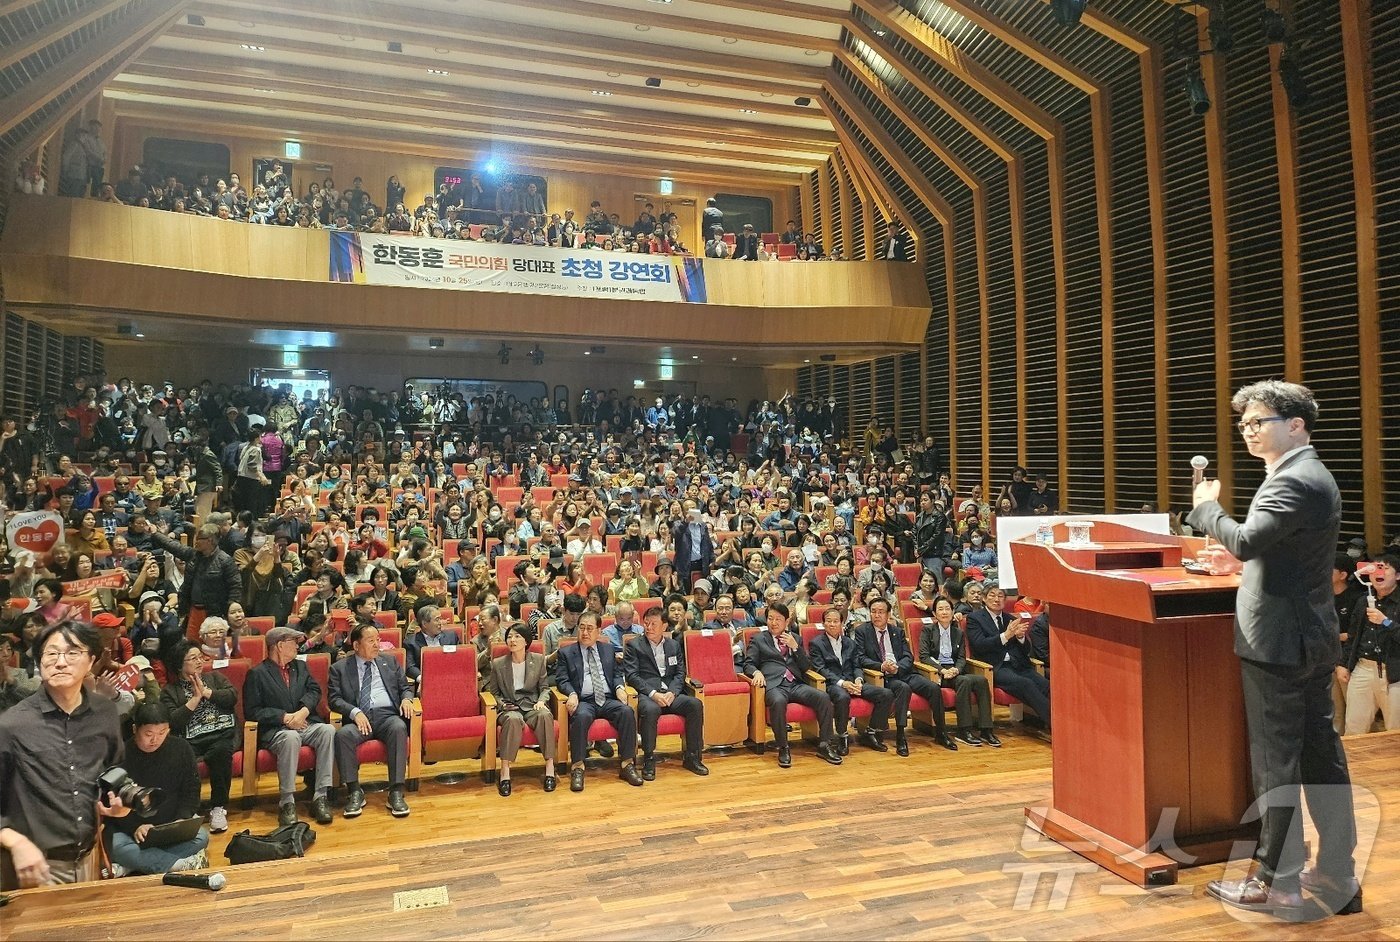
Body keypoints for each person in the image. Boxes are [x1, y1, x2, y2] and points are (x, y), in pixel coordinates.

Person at [1187, 380, 1359, 918]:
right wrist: (1244, 568)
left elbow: (1245, 538)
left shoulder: (1296, 479)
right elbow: (1276, 555)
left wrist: (1206, 508)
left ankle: (1277, 881)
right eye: (1244, 424)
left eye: (1259, 421)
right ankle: (1336, 874)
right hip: (1306, 636)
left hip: (1279, 643)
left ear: (1297, 424)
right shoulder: (1302, 474)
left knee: (1275, 764)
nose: (1248, 430)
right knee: (1320, 757)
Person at [0, 619, 128, 889]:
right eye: (51, 653)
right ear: (39, 662)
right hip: (37, 867)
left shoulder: (104, 712)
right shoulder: (12, 725)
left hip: (90, 856)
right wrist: (16, 842)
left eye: (72, 653)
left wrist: (118, 802)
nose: (60, 662)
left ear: (91, 660)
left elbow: (113, 772)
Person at [242, 626, 336, 826]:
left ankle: (320, 796)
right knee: (291, 738)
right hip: (278, 730)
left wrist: (303, 711)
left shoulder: (300, 667)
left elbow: (314, 690)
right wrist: (284, 717)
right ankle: (287, 801)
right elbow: (253, 711)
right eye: (293, 642)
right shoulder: (257, 674)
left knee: (327, 731)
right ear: (279, 645)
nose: (297, 646)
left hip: (304, 722)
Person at [104, 702, 209, 875]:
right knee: (117, 846)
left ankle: (133, 865)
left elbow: (191, 789)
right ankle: (177, 865)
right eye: (148, 734)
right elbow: (112, 800)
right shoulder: (119, 755)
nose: (155, 740)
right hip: (133, 830)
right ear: (134, 729)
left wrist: (182, 819)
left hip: (169, 825)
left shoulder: (181, 748)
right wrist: (134, 826)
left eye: (162, 733)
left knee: (201, 837)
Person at [329, 624, 414, 819]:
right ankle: (354, 791)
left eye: (378, 639)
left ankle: (396, 791)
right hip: (360, 718)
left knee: (399, 727)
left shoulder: (390, 662)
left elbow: (405, 687)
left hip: (387, 716)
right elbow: (334, 699)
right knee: (343, 735)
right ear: (357, 645)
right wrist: (354, 712)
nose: (377, 645)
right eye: (371, 641)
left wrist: (407, 699)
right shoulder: (339, 669)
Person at [853, 596, 957, 755]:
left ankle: (941, 732)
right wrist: (882, 666)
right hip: (884, 677)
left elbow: (908, 656)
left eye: (881, 612)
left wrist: (898, 668)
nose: (877, 615)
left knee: (933, 688)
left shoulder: (897, 632)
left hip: (903, 672)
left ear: (888, 615)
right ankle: (901, 735)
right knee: (903, 688)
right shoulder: (862, 631)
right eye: (873, 611)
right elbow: (860, 658)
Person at [743, 602, 842, 768]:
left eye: (778, 619)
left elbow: (805, 667)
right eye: (770, 618)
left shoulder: (795, 638)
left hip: (795, 684)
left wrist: (796, 648)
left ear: (786, 621)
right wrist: (756, 672)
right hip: (774, 685)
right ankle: (783, 746)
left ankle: (825, 744)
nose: (773, 623)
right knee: (778, 701)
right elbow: (748, 664)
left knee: (823, 697)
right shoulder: (758, 639)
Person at [554, 610, 644, 792]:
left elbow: (617, 674)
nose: (585, 633)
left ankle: (627, 764)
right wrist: (571, 693)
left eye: (589, 629)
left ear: (598, 631)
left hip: (608, 698)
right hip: (584, 700)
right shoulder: (566, 653)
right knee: (580, 717)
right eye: (582, 628)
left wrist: (619, 687)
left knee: (627, 712)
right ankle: (578, 767)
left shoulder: (608, 649)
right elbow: (561, 680)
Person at [159, 641, 238, 834]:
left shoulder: (214, 678)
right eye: (193, 658)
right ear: (180, 665)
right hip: (190, 739)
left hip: (221, 734)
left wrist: (207, 693)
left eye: (200, 657)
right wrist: (194, 699)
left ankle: (218, 808)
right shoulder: (170, 691)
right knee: (182, 757)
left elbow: (232, 696)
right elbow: (173, 721)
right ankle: (189, 810)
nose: (199, 661)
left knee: (220, 753)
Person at [624, 611, 708, 779]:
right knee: (650, 710)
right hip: (649, 695)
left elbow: (680, 673)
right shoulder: (634, 645)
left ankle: (692, 756)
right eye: (646, 623)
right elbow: (632, 676)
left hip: (670, 693)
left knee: (695, 705)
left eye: (653, 624)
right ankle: (648, 758)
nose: (648, 627)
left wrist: (673, 692)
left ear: (664, 626)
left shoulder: (673, 645)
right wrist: (653, 694)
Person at [808, 607, 894, 754]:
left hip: (853, 682)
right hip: (833, 684)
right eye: (829, 621)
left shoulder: (850, 643)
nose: (832, 624)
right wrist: (842, 683)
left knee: (886, 694)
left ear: (842, 623)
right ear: (823, 624)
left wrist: (859, 679)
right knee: (842, 697)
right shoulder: (816, 643)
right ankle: (842, 736)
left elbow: (857, 665)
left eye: (836, 621)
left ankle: (871, 732)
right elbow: (821, 669)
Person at [966, 588, 1050, 734]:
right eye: (992, 595)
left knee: (1046, 685)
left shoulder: (1010, 619)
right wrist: (1006, 635)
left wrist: (1020, 637)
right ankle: (1054, 725)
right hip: (996, 667)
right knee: (1026, 684)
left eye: (1000, 596)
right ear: (984, 599)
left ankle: (1061, 720)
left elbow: (1026, 650)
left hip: (1019, 664)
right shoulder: (975, 619)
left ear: (1005, 601)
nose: (996, 599)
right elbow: (980, 645)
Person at [487, 622, 557, 796]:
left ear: (526, 641)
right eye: (509, 637)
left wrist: (542, 700)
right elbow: (493, 692)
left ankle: (549, 767)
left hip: (532, 704)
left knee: (545, 715)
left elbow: (545, 688)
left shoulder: (538, 660)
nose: (512, 640)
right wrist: (502, 704)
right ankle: (505, 771)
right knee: (513, 719)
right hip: (510, 706)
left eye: (517, 636)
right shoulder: (498, 664)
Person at [920, 598, 999, 747]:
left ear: (953, 611)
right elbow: (924, 656)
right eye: (941, 609)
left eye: (947, 609)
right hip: (937, 673)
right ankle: (964, 730)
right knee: (965, 681)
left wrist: (956, 669)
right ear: (934, 614)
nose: (944, 612)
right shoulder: (928, 630)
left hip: (955, 670)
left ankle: (986, 729)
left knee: (981, 680)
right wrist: (942, 670)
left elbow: (962, 657)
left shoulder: (958, 632)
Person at [404, 604, 460, 682]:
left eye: (440, 619)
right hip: (427, 680)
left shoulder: (451, 636)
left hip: (452, 678)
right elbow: (410, 667)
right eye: (437, 620)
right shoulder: (411, 642)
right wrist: (423, 679)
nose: (440, 623)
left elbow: (460, 659)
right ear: (424, 624)